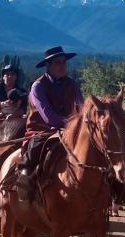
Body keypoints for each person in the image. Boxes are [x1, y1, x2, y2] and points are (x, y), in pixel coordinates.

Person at [18, 46, 84, 201]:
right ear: (48, 65)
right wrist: (73, 124)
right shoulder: (38, 86)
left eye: (64, 62)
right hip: (41, 131)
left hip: (70, 132)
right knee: (33, 156)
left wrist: (81, 124)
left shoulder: (72, 84)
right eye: (58, 62)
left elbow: (82, 109)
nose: (62, 66)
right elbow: (49, 117)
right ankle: (24, 187)